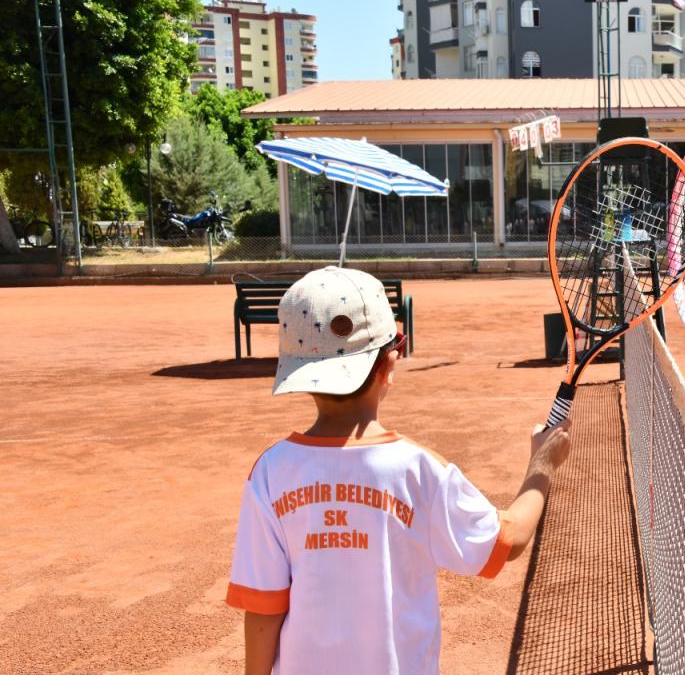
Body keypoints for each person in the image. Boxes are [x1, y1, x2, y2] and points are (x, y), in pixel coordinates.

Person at [225, 266, 570, 675]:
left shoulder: (270, 472)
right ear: (390, 362)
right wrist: (542, 464)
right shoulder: (418, 470)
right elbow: (509, 539)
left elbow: (264, 609)